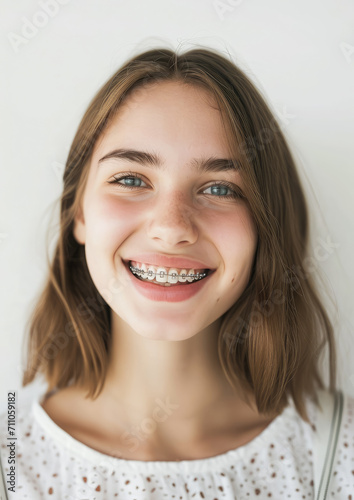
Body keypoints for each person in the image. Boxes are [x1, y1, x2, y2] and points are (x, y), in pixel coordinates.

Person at [0, 46, 353, 499]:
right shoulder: (10, 454)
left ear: (266, 227)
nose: (171, 228)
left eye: (220, 188)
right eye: (131, 180)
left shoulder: (339, 456)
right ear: (80, 214)